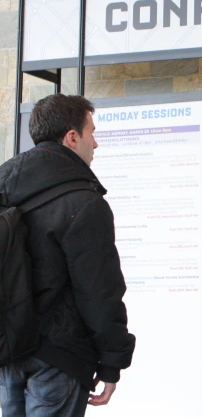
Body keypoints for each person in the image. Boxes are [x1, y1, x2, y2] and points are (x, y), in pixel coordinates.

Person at [0, 94, 135, 417]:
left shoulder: (5, 187)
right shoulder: (83, 202)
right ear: (72, 138)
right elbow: (99, 291)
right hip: (59, 356)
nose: (96, 143)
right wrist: (112, 362)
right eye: (91, 132)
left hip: (9, 351)